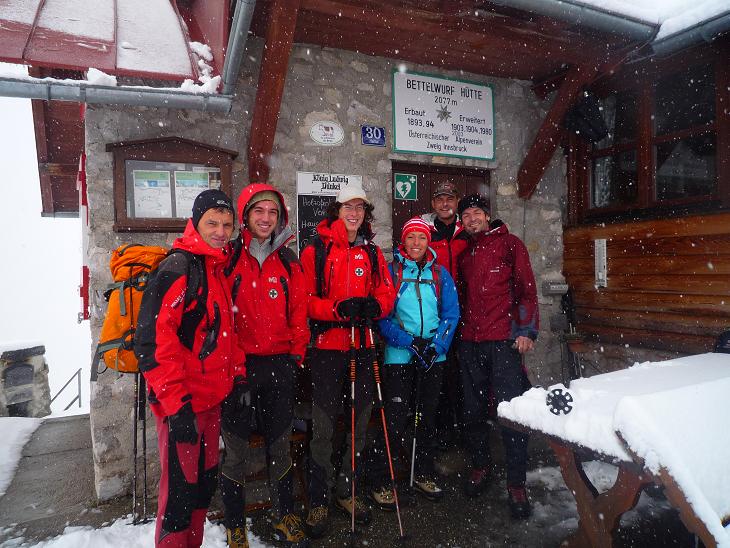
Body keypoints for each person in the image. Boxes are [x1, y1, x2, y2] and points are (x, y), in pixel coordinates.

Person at [134, 189, 245, 547]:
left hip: (210, 403)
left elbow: (224, 333)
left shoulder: (215, 268)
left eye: (226, 224)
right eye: (212, 223)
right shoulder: (178, 267)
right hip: (182, 406)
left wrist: (237, 377)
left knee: (202, 489)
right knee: (179, 497)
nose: (221, 232)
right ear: (195, 223)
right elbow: (152, 343)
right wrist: (176, 405)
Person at [300, 184, 395, 538]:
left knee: (359, 424)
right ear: (336, 211)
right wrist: (337, 309)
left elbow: (387, 292)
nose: (354, 214)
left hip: (364, 346)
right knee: (323, 428)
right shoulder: (316, 250)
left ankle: (347, 490)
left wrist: (376, 305)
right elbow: (305, 301)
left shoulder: (372, 251)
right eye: (348, 207)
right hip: (328, 348)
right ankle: (319, 499)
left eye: (360, 208)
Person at [220, 184, 310, 547]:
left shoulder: (288, 260)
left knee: (280, 446)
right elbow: (222, 319)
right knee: (236, 451)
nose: (266, 218)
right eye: (259, 211)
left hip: (279, 367)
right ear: (245, 216)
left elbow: (299, 312)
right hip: (239, 370)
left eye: (273, 212)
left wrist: (296, 357)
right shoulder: (228, 259)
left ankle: (284, 514)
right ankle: (235, 524)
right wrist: (235, 369)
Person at [456, 193, 539, 519]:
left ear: (487, 215)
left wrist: (526, 330)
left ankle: (517, 483)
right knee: (473, 410)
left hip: (503, 343)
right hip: (470, 343)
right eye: (466, 215)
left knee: (511, 412)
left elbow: (526, 291)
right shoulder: (465, 254)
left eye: (476, 212)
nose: (471, 219)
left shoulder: (510, 245)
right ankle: (480, 466)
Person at [368, 217, 459, 510]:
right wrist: (409, 342)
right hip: (399, 358)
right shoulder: (392, 272)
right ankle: (382, 479)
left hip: (433, 358)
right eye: (411, 237)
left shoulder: (440, 274)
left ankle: (422, 473)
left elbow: (451, 314)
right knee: (394, 420)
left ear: (427, 241)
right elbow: (383, 317)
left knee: (425, 418)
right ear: (403, 241)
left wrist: (437, 346)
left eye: (421, 237)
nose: (416, 243)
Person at [420, 181, 470, 451]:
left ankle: (464, 427)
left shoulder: (467, 230)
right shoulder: (425, 231)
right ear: (433, 204)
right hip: (435, 312)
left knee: (463, 372)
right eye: (439, 199)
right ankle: (439, 429)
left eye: (449, 198)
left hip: (468, 312)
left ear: (457, 201)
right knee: (438, 370)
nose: (444, 204)